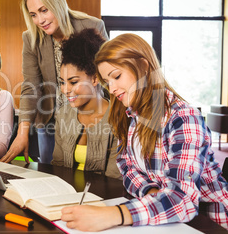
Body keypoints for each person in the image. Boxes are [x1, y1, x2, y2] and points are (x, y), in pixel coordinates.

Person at [61, 33, 228, 231]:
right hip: (166, 219)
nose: (112, 88)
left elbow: (182, 199)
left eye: (116, 76)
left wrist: (114, 214)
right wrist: (152, 191)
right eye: (108, 81)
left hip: (208, 224)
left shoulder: (183, 118)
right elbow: (126, 167)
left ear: (144, 66)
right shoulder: (131, 117)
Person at [0, 0, 109, 164]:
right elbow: (31, 86)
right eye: (33, 14)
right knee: (52, 173)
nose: (40, 20)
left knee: (90, 167)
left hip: (90, 115)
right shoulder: (31, 38)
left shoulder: (92, 26)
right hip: (51, 121)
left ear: (57, 4)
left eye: (44, 10)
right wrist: (22, 133)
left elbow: (108, 74)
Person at [51, 28, 120, 179]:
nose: (65, 89)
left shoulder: (117, 118)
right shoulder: (63, 114)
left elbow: (114, 178)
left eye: (73, 82)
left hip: (102, 199)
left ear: (95, 79)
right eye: (62, 82)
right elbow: (58, 166)